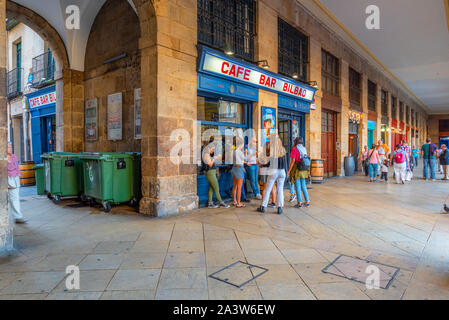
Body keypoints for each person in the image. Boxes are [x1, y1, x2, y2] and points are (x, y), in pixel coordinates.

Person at [257, 135, 287, 214]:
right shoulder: (283, 150)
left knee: (268, 189)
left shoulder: (272, 150)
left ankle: (263, 206)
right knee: (280, 189)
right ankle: (280, 208)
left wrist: (262, 165)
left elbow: (268, 163)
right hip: (282, 171)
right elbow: (285, 163)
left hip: (273, 171)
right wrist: (287, 173)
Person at [203, 142, 229, 208]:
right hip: (210, 173)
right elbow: (210, 164)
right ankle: (221, 202)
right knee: (216, 188)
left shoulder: (208, 154)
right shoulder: (206, 154)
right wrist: (214, 158)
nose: (213, 151)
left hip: (212, 172)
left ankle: (210, 203)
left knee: (211, 188)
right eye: (213, 149)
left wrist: (215, 158)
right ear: (209, 148)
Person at [288, 137, 310, 208]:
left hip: (297, 170)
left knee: (297, 186)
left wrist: (289, 170)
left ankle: (299, 203)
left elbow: (293, 161)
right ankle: (307, 201)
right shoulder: (304, 148)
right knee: (303, 186)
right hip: (304, 170)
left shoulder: (294, 149)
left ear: (295, 142)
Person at [7, 142, 27, 224]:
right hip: (6, 179)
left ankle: (18, 217)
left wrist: (18, 175)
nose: (10, 148)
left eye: (11, 147)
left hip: (14, 179)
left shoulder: (14, 156)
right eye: (8, 147)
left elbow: (16, 168)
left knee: (15, 199)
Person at [258, 143, 277, 208]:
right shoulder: (272, 155)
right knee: (272, 187)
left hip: (264, 171)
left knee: (265, 188)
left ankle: (264, 203)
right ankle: (273, 203)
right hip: (271, 171)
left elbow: (259, 164)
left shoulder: (261, 155)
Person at [232, 138, 246, 208]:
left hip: (234, 168)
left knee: (234, 186)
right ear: (241, 144)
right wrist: (245, 153)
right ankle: (238, 203)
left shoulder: (233, 151)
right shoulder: (239, 152)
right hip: (239, 169)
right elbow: (245, 159)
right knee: (239, 188)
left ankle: (234, 201)